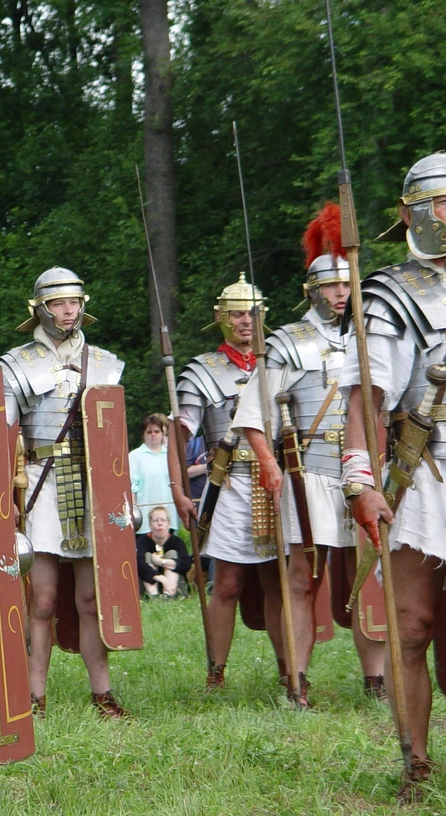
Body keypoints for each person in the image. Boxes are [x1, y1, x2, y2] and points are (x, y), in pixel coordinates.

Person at [232, 203, 384, 709]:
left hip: (365, 471)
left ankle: (376, 679)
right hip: (309, 475)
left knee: (371, 577)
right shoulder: (287, 343)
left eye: (346, 285)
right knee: (301, 577)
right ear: (312, 290)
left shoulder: (375, 337)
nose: (341, 293)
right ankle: (296, 681)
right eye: (330, 286)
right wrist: (270, 465)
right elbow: (253, 414)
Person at [339, 153, 446, 799]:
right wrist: (361, 480)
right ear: (415, 214)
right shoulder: (393, 293)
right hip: (425, 474)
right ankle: (416, 764)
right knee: (411, 625)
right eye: (442, 203)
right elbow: (364, 402)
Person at [1, 267, 128, 719]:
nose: (68, 310)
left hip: (94, 483)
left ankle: (103, 693)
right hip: (42, 480)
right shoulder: (15, 365)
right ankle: (34, 696)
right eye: (58, 303)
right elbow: (1, 435)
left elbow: (113, 436)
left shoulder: (106, 364)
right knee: (44, 597)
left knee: (91, 598)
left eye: (73, 301)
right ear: (39, 307)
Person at [167, 274, 286, 693]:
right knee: (229, 582)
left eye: (253, 313)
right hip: (230, 485)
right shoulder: (203, 370)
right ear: (221, 318)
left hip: (276, 483)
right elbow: (178, 432)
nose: (246, 321)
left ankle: (290, 671)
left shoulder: (279, 362)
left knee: (278, 582)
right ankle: (216, 672)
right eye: (237, 314)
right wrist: (179, 489)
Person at [128, 414, 178, 533]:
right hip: (145, 521)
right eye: (149, 432)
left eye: (157, 431)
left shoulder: (171, 455)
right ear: (143, 434)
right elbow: (132, 488)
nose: (153, 434)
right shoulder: (134, 456)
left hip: (169, 517)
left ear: (162, 433)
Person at [136, 507, 190, 598]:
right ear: (149, 525)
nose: (159, 523)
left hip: (174, 586)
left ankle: (167, 596)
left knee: (172, 553)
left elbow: (186, 563)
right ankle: (154, 597)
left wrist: (161, 562)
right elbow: (138, 563)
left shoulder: (176, 541)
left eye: (163, 520)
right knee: (147, 556)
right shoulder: (142, 541)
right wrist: (162, 579)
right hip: (150, 584)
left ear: (169, 524)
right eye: (155, 520)